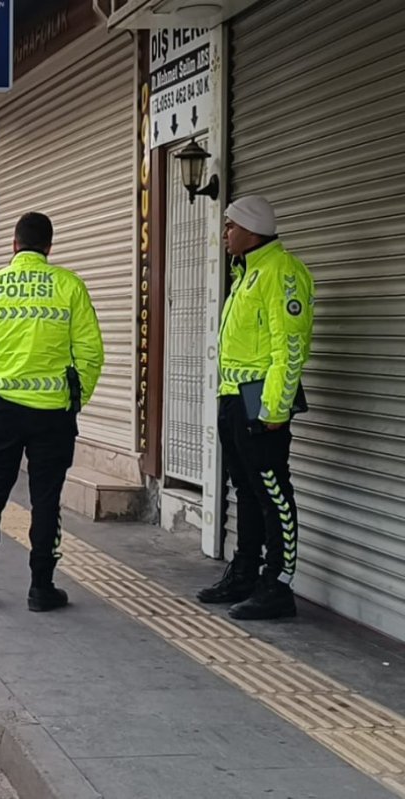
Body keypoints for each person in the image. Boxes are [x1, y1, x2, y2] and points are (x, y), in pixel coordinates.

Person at [0, 212, 104, 611]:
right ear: (48, 247)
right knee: (46, 499)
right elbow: (91, 353)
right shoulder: (69, 287)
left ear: (14, 245)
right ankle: (40, 588)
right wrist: (74, 397)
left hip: (4, 413)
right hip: (53, 415)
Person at [197, 196, 315, 621]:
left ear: (252, 229)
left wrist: (274, 410)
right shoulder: (247, 273)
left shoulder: (281, 273)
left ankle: (278, 585)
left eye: (230, 226)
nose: (225, 233)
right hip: (234, 399)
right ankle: (245, 571)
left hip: (261, 406)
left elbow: (290, 346)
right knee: (244, 490)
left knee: (273, 494)